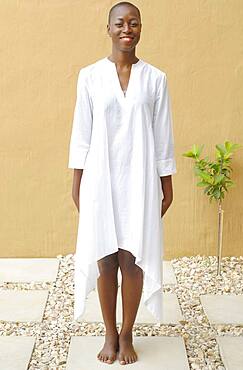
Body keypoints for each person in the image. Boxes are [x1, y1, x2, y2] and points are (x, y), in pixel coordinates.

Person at [68, 1, 177, 365]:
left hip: (141, 179)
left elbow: (163, 137)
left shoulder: (156, 79)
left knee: (132, 260)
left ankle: (128, 332)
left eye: (134, 23)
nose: (126, 28)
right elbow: (81, 134)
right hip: (101, 178)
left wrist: (167, 183)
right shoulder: (90, 76)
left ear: (141, 29)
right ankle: (109, 334)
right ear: (109, 29)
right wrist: (76, 180)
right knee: (105, 259)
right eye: (119, 23)